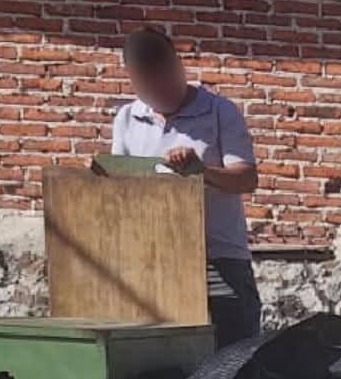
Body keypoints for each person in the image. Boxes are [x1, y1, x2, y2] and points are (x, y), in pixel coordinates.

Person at [112, 27, 262, 346]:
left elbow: (247, 178)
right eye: (146, 86)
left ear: (178, 66)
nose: (158, 91)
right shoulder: (127, 118)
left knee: (235, 359)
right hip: (154, 261)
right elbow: (119, 188)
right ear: (133, 80)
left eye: (164, 80)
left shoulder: (220, 111)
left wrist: (201, 172)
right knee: (168, 365)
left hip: (218, 261)